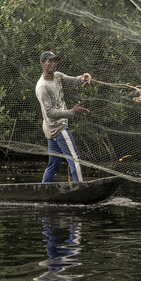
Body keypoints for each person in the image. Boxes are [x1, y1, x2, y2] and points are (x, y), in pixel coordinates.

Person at [35, 51, 92, 183]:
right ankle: (80, 188)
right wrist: (72, 111)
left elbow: (72, 82)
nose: (53, 64)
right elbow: (50, 113)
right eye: (50, 61)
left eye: (55, 61)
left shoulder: (57, 77)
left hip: (51, 129)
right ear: (42, 64)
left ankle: (44, 191)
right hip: (58, 127)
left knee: (53, 163)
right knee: (75, 158)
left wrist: (83, 78)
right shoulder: (42, 87)